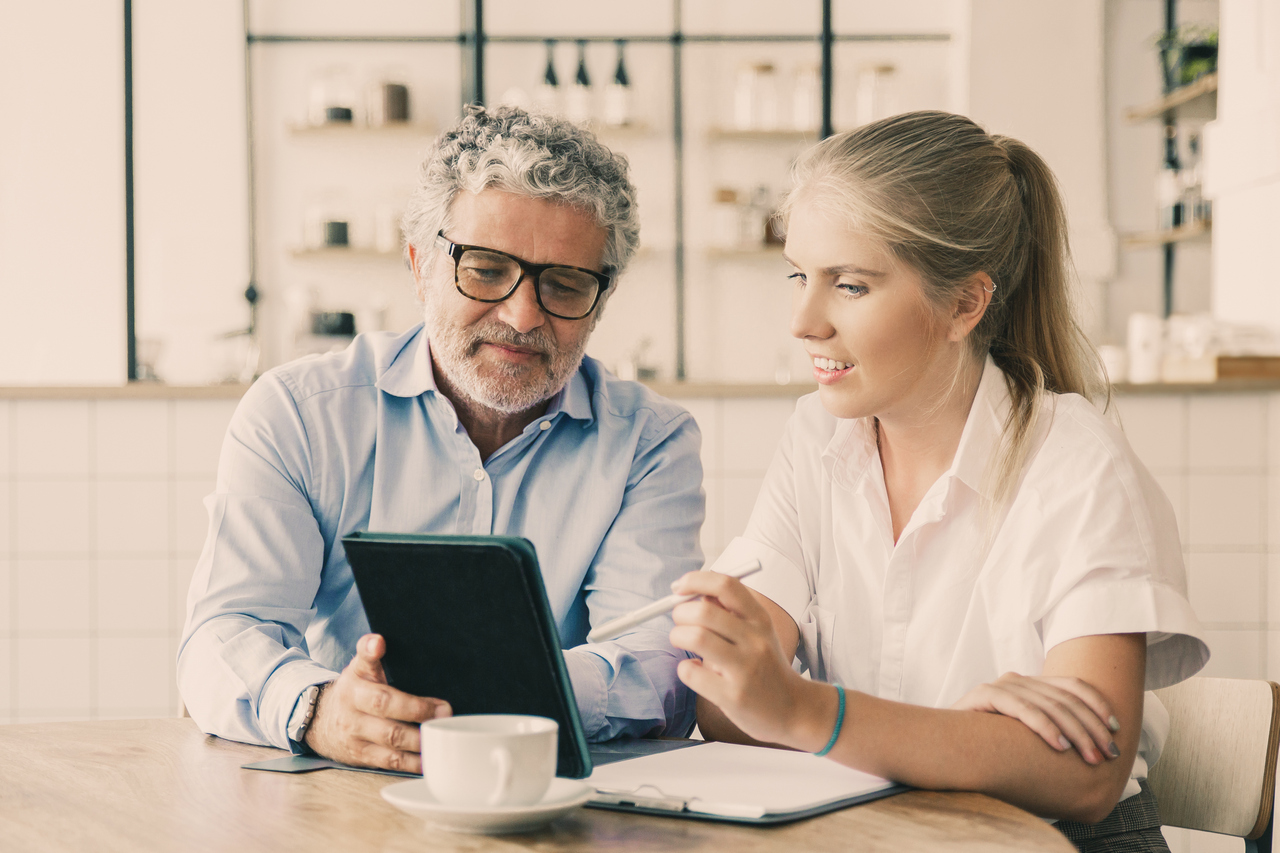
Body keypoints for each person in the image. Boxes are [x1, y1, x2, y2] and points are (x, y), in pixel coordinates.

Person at [668, 111, 1207, 851]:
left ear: (963, 303)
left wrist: (803, 709)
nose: (803, 320)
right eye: (799, 274)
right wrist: (958, 733)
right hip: (892, 831)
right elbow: (728, 701)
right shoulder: (816, 439)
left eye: (849, 285)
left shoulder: (1077, 461)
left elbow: (1088, 775)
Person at [178, 106, 703, 773]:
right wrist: (317, 707)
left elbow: (660, 662)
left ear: (600, 301)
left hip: (550, 802)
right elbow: (221, 639)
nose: (521, 315)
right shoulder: (297, 414)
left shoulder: (650, 443)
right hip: (341, 797)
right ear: (420, 265)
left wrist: (487, 693)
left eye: (564, 285)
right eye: (485, 270)